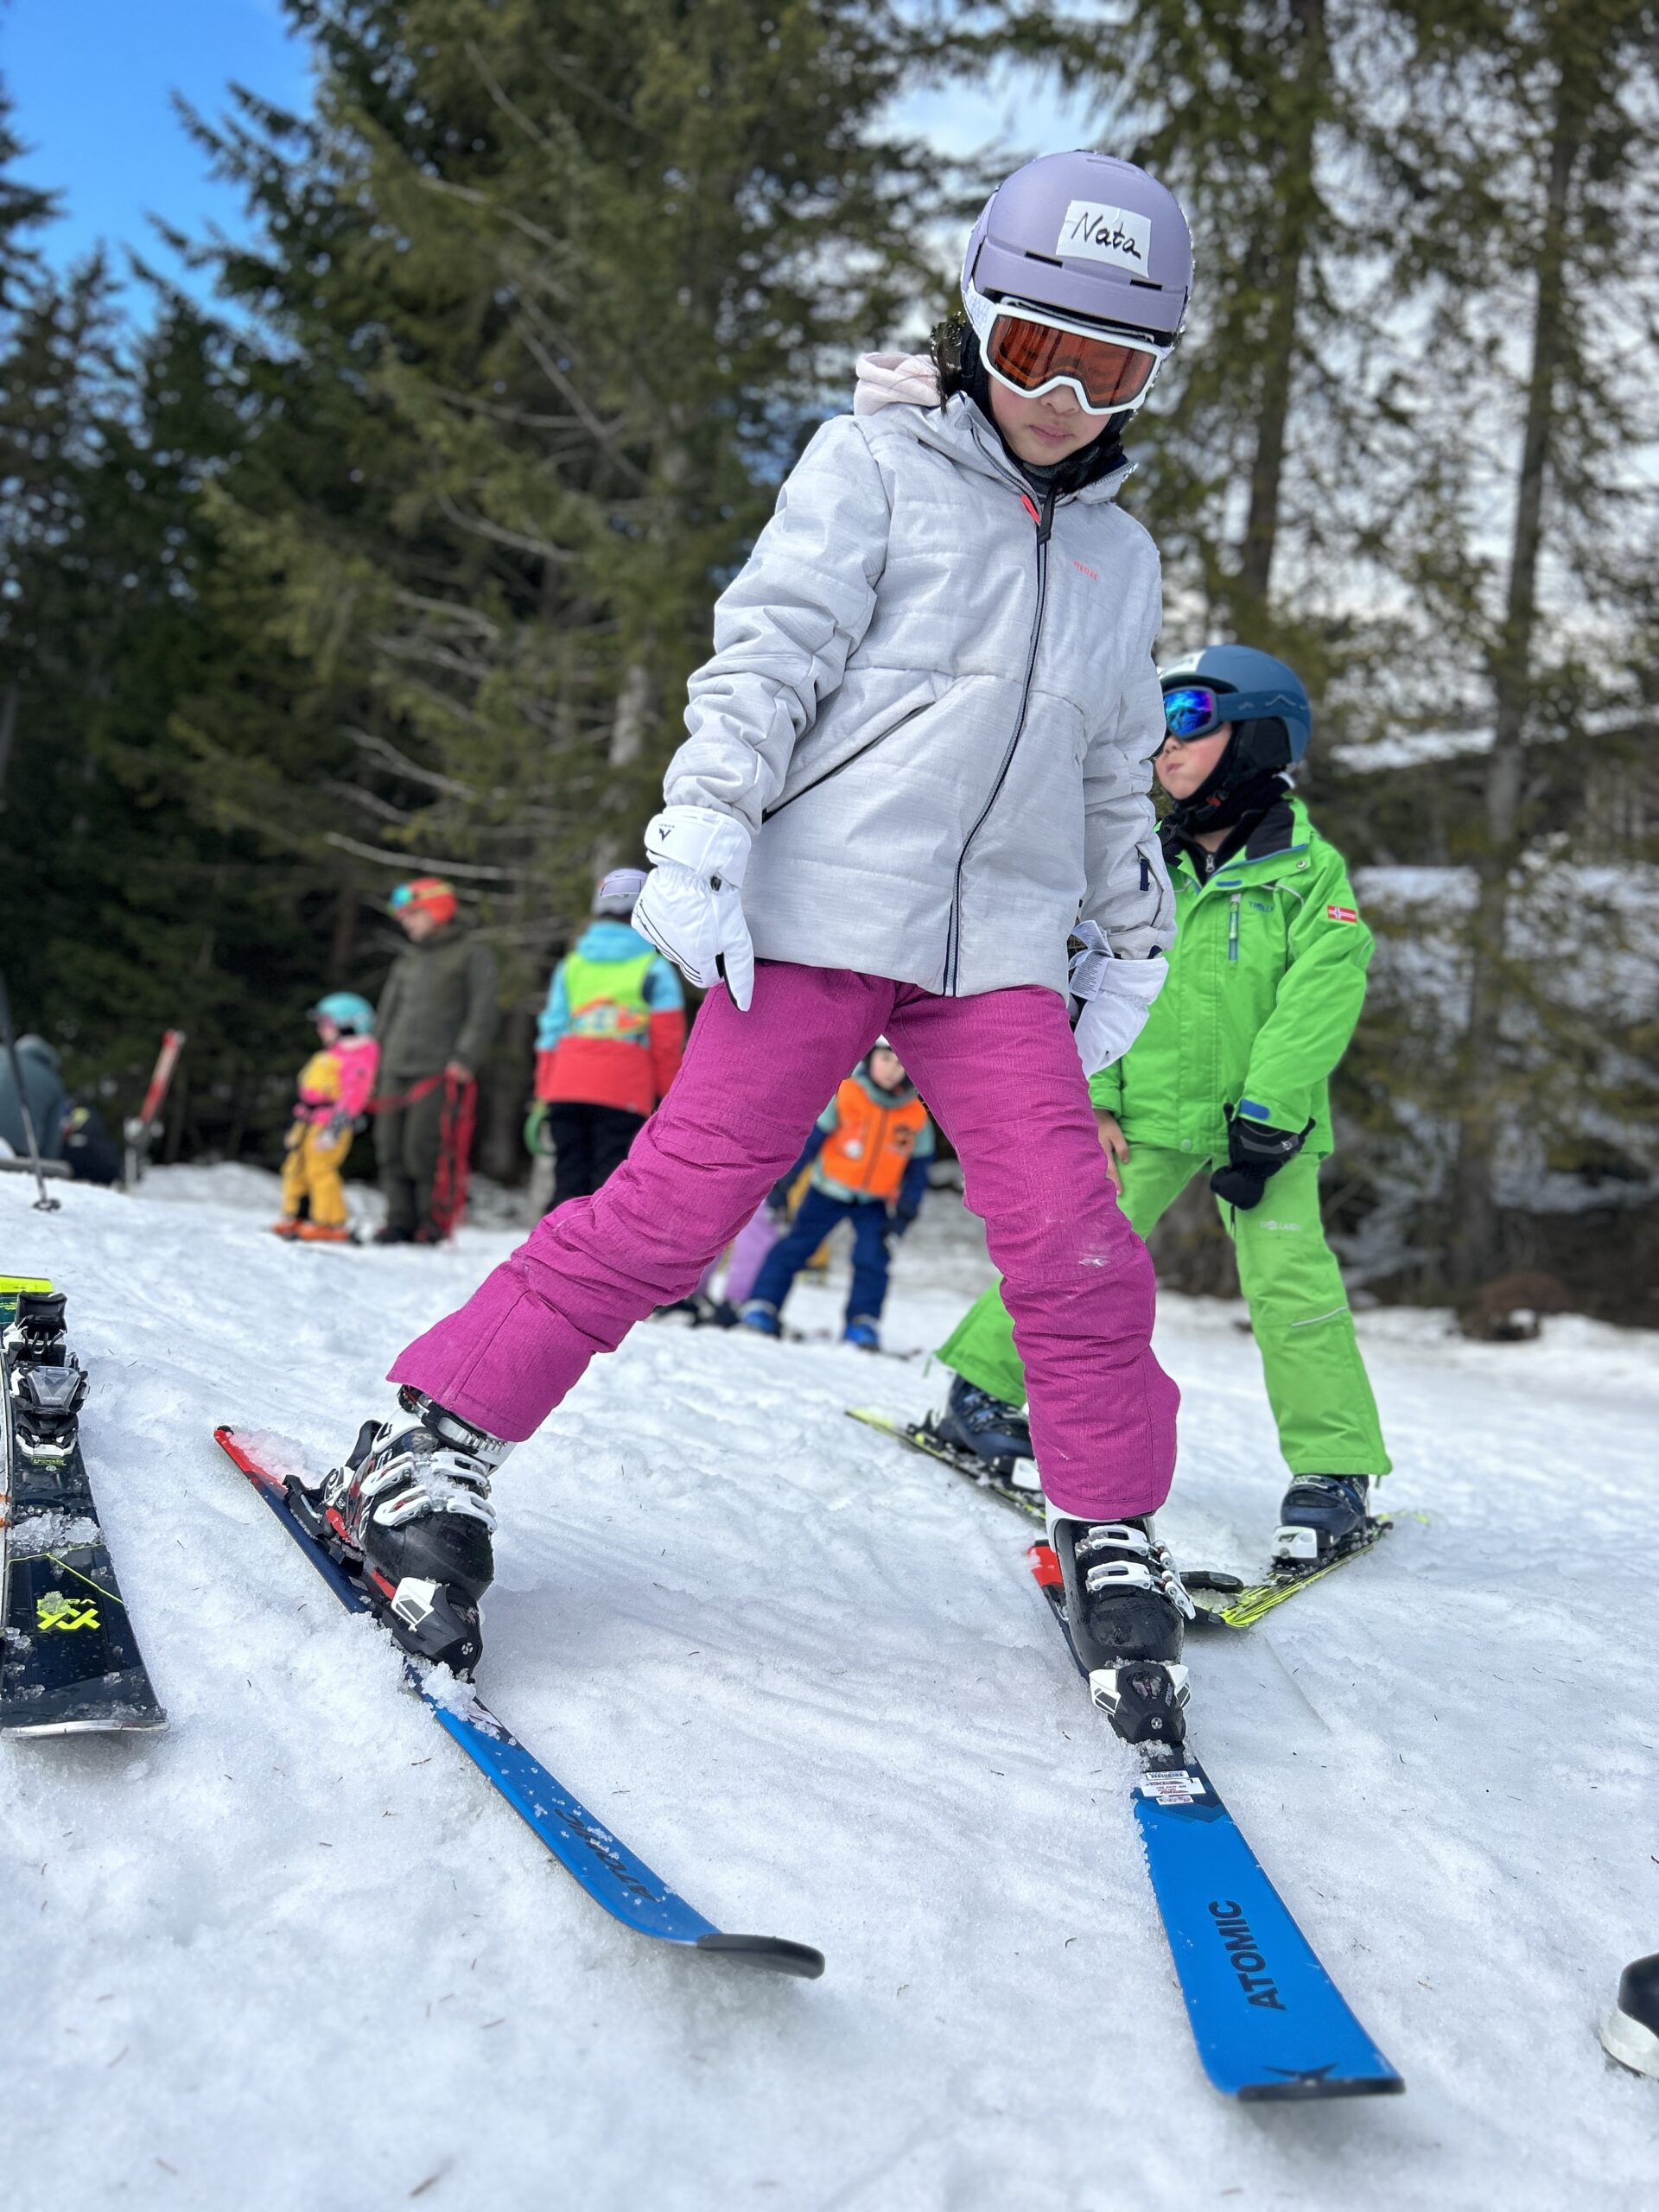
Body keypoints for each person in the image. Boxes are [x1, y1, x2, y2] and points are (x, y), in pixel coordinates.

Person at [285, 151, 1198, 1747]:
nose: (1060, 392)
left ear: (1149, 374)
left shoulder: (1124, 558)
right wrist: (702, 829)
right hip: (824, 915)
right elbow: (765, 657)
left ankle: (1109, 1523)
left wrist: (1130, 927)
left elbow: (1117, 760)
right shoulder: (873, 465)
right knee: (669, 1215)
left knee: (1074, 1245)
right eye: (1029, 347)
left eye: (1105, 363)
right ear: (977, 321)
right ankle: (430, 1444)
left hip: (995, 958)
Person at [930, 645, 1390, 1563]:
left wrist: (1269, 1113)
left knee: (1293, 1289)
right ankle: (978, 1394)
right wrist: (1092, 1094)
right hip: (1140, 1114)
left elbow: (1320, 998)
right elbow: (1101, 975)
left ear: (1255, 734)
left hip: (1267, 1129)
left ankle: (1335, 1469)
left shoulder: (1308, 874)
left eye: (1188, 721)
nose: (1164, 748)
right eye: (1155, 725)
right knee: (1072, 1252)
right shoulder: (1146, 866)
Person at [740, 1040, 933, 1350]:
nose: (891, 1070)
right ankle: (763, 1306)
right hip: (828, 1190)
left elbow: (918, 1172)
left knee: (873, 1258)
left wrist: (904, 1216)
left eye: (900, 1063)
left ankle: (862, 1322)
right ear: (871, 1059)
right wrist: (784, 1186)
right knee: (796, 1246)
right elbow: (810, 1144)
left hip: (874, 1202)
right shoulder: (848, 1094)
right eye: (885, 1059)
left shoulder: (915, 1115)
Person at [532, 868, 686, 1211]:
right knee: (608, 1186)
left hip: (566, 1086)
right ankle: (593, 1260)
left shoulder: (572, 966)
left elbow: (550, 1033)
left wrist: (544, 1090)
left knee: (567, 1179)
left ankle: (550, 1255)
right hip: (623, 1091)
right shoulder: (654, 969)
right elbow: (665, 1045)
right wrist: (666, 1101)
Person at [372, 878, 499, 1245]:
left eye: (411, 915)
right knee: (389, 1148)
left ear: (436, 909)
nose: (405, 923)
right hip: (394, 1066)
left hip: (439, 1068)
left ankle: (432, 1222)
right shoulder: (407, 960)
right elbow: (386, 1016)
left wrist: (465, 1056)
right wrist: (372, 1064)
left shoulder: (472, 953)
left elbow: (483, 1011)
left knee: (422, 1148)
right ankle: (399, 1221)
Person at [273, 993, 381, 1243]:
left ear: (347, 1026)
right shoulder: (332, 1053)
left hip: (329, 1123)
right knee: (296, 1168)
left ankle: (330, 1223)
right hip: (308, 1122)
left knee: (320, 1170)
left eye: (326, 1024)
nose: (321, 1030)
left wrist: (335, 1128)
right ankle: (297, 1214)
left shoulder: (358, 1057)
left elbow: (353, 1096)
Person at [0, 1033, 67, 1164]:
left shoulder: (2, 1055)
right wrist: (46, 1164)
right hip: (19, 1149)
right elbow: (52, 1136)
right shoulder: (54, 1082)